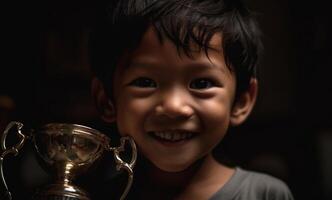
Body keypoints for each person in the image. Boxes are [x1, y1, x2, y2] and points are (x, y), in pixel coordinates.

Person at [88, 0, 294, 199]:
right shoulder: (95, 196)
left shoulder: (265, 194)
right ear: (106, 100)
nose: (174, 107)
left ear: (241, 101)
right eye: (145, 82)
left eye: (202, 84)